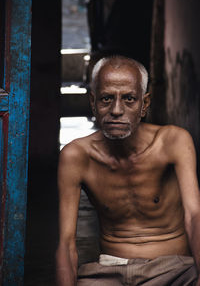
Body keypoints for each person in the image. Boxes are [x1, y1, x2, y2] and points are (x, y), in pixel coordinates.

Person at [56, 55, 200, 286]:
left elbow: (194, 217)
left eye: (129, 99)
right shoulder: (76, 156)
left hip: (174, 270)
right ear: (93, 102)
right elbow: (66, 243)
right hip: (110, 272)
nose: (116, 110)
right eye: (106, 99)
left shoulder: (173, 142)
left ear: (144, 104)